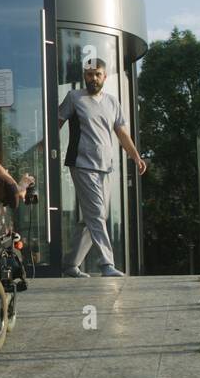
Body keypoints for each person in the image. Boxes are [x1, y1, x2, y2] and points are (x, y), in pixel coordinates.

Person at [57, 57, 146, 278]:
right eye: (89, 74)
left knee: (92, 216)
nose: (93, 78)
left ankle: (70, 264)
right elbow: (56, 122)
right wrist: (42, 146)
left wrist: (135, 156)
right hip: (81, 164)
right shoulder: (74, 98)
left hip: (105, 167)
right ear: (84, 76)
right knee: (96, 214)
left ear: (104, 76)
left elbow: (122, 132)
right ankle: (106, 264)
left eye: (97, 74)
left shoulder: (112, 102)